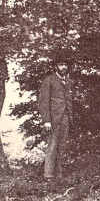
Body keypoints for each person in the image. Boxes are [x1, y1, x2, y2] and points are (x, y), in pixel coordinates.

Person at [38, 53, 74, 181]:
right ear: (55, 66)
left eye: (65, 65)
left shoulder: (69, 82)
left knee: (62, 146)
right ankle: (48, 176)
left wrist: (70, 117)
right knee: (52, 146)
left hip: (66, 118)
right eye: (61, 65)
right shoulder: (49, 81)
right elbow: (43, 102)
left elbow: (69, 101)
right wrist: (46, 120)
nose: (64, 67)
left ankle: (59, 175)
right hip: (53, 119)